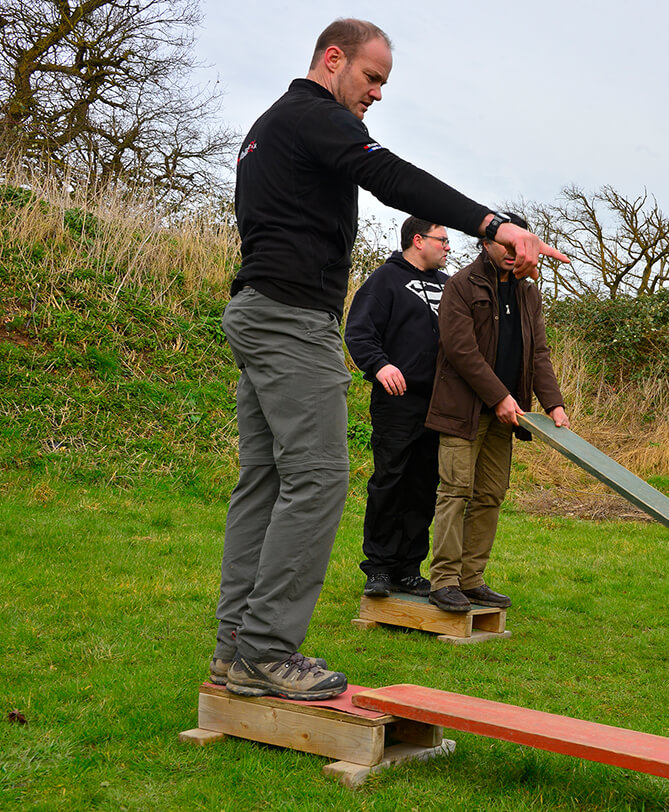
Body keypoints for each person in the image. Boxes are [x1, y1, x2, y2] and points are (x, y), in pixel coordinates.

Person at [211, 19, 568, 701]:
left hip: (257, 310)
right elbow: (387, 173)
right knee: (316, 481)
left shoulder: (268, 129)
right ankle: (264, 651)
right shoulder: (312, 116)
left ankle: (236, 649)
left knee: (264, 484)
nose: (375, 94)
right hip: (290, 320)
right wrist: (492, 223)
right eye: (371, 78)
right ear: (333, 60)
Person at [423, 212, 569, 613]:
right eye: (506, 243)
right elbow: (461, 351)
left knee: (490, 495)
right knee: (455, 491)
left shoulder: (528, 292)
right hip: (461, 410)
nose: (512, 252)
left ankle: (471, 581)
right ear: (485, 242)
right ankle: (445, 582)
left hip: (506, 417)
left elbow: (538, 353)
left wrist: (553, 403)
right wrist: (500, 396)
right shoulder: (460, 285)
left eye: (519, 245)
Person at [345, 216, 451, 600]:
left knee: (424, 485)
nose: (447, 247)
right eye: (442, 239)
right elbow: (358, 331)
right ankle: (379, 568)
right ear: (418, 240)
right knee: (390, 481)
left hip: (439, 404)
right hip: (397, 401)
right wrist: (379, 364)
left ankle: (408, 568)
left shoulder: (448, 286)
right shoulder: (385, 281)